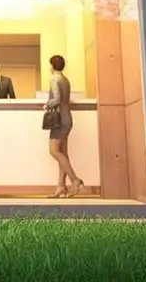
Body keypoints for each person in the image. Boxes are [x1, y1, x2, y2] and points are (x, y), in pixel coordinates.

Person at [44, 55, 83, 198]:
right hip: (67, 118)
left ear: (52, 66)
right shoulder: (65, 80)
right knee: (62, 153)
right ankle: (61, 185)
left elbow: (56, 99)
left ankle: (75, 180)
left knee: (54, 151)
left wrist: (47, 104)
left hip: (59, 120)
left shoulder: (54, 78)